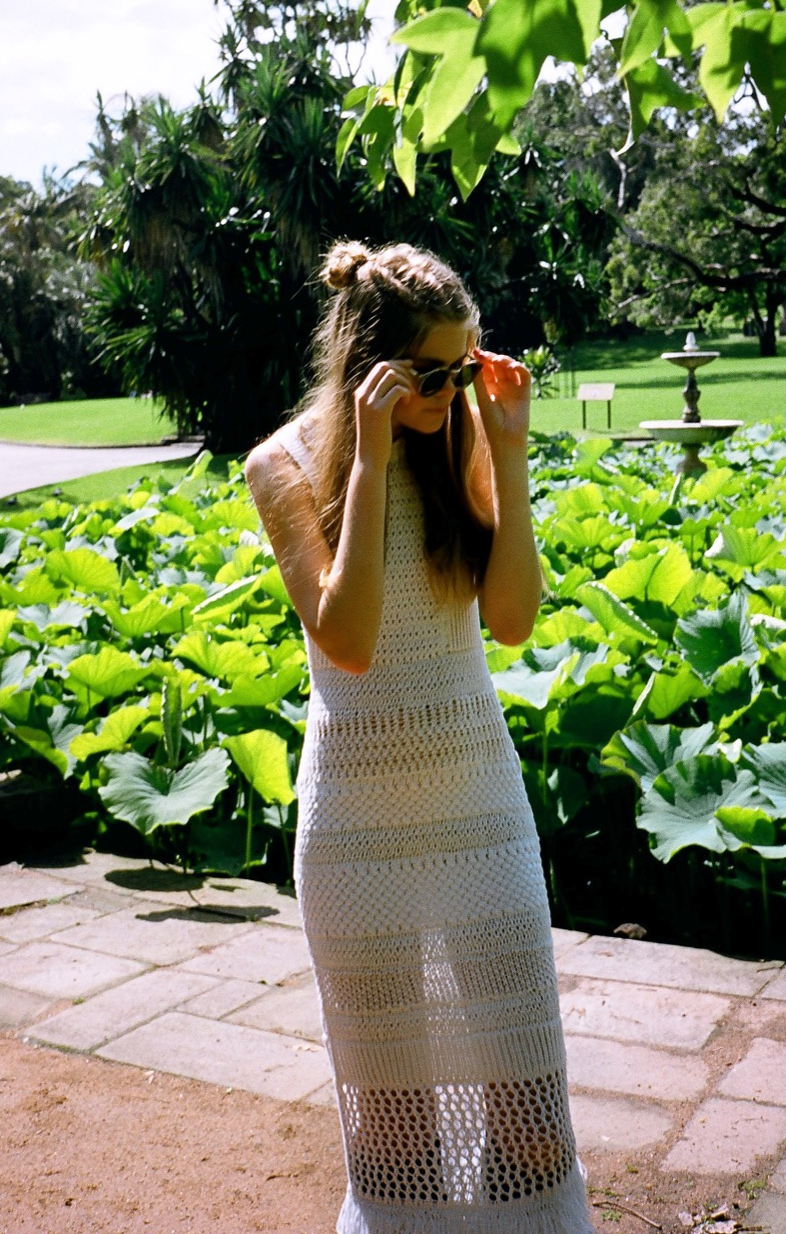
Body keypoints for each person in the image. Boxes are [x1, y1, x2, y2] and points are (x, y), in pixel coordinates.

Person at [245, 240, 591, 1233]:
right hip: (355, 831)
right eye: (430, 374)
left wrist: (509, 448)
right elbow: (349, 640)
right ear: (371, 367)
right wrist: (367, 458)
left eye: (460, 370)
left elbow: (512, 620)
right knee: (400, 1145)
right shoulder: (280, 467)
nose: (449, 391)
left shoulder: (461, 438)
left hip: (480, 807)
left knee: (533, 1125)